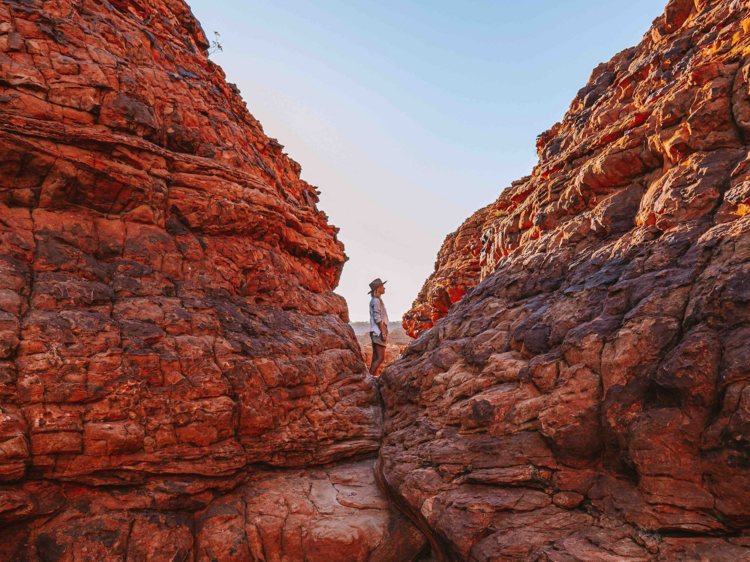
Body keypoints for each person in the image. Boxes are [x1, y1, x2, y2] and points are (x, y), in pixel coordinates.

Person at [368, 278, 389, 376]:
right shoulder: (376, 301)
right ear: (378, 289)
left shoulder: (376, 300)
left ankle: (372, 378)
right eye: (382, 286)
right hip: (378, 331)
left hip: (377, 331)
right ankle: (371, 378)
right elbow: (377, 317)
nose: (384, 288)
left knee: (376, 358)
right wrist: (383, 332)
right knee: (381, 358)